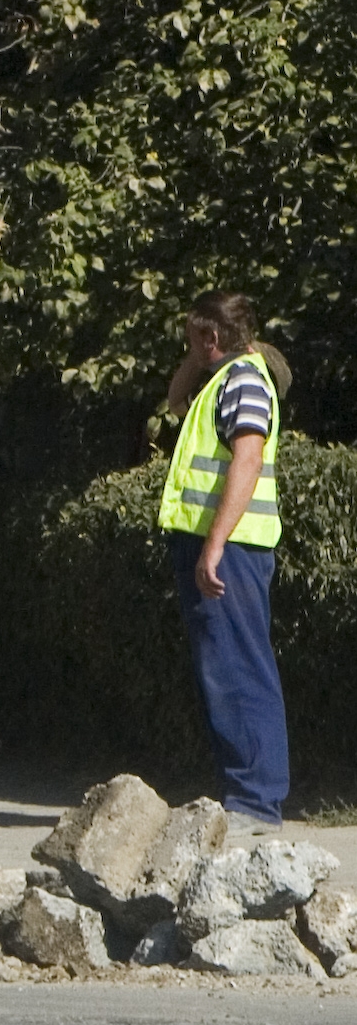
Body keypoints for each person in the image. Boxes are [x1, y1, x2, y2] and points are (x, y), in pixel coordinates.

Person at [155, 291, 289, 832]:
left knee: (239, 670)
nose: (189, 348)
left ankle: (256, 802)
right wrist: (198, 354)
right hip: (217, 545)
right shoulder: (220, 377)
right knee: (222, 669)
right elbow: (174, 398)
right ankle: (245, 794)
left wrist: (213, 547)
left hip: (230, 548)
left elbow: (248, 459)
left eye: (195, 337)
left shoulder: (244, 381)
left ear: (213, 338)